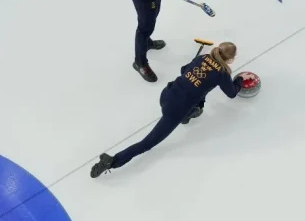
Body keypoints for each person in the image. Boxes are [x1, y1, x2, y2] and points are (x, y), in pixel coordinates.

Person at [90, 42, 252, 177]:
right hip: (176, 110)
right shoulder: (222, 73)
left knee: (198, 98)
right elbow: (231, 93)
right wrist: (238, 81)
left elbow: (183, 70)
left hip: (166, 95)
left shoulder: (203, 57)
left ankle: (188, 114)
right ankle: (113, 161)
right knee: (147, 143)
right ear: (230, 59)